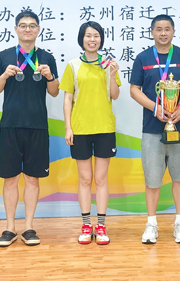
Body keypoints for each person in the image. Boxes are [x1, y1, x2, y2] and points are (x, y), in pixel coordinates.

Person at [0, 9, 59, 247]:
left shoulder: (47, 57)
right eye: (23, 25)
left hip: (37, 126)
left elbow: (54, 92)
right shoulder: (3, 56)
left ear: (38, 30)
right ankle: (10, 228)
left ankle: (29, 227)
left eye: (32, 26)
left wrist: (50, 77)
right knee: (10, 179)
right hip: (10, 125)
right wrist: (4, 75)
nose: (27, 29)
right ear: (16, 29)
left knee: (32, 179)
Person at [130, 14, 180, 244]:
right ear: (152, 32)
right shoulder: (142, 58)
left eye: (167, 29)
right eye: (158, 29)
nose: (163, 33)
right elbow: (134, 89)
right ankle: (151, 224)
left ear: (173, 32)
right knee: (152, 179)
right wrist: (156, 108)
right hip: (152, 128)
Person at [61, 21, 121, 245]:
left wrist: (113, 74)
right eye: (88, 35)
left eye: (96, 35)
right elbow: (67, 99)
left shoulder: (108, 64)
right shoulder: (73, 65)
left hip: (104, 127)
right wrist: (68, 127)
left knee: (101, 179)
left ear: (101, 39)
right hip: (80, 129)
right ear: (82, 39)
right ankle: (86, 225)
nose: (92, 39)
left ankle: (101, 225)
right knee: (85, 179)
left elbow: (114, 95)